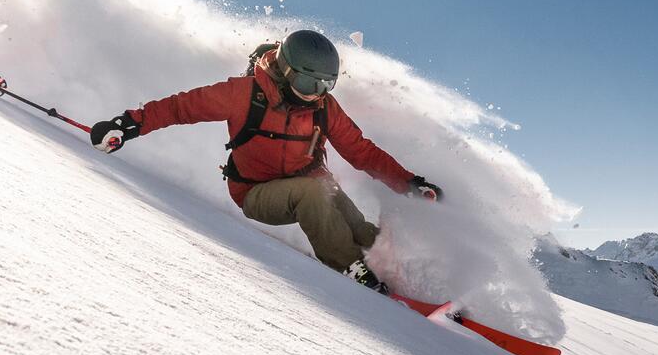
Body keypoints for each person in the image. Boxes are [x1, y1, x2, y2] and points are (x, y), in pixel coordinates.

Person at [88, 29, 441, 292]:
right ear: (287, 72)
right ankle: (352, 268)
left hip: (310, 184)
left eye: (324, 85)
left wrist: (409, 182)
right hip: (256, 192)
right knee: (314, 192)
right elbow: (181, 108)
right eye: (307, 82)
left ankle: (384, 259)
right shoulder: (244, 94)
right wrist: (128, 124)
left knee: (335, 198)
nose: (315, 94)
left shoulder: (323, 107)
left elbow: (360, 150)